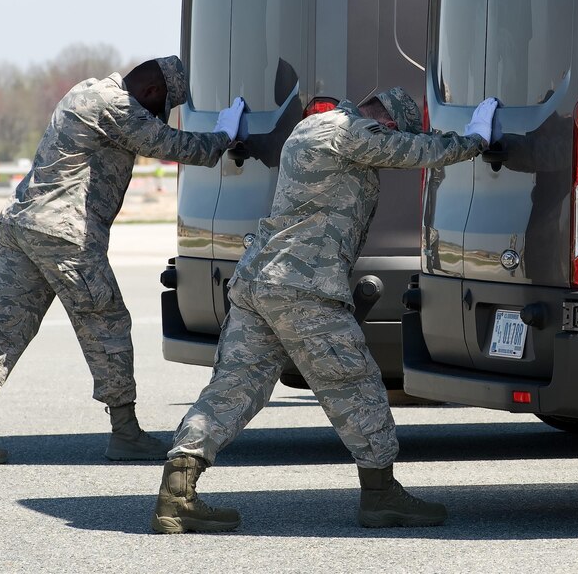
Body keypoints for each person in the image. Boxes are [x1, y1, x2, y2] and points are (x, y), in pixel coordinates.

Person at [150, 88, 499, 533]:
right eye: (391, 130)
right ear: (387, 121)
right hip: (303, 286)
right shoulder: (350, 130)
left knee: (233, 387)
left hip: (259, 280)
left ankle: (176, 493)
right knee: (356, 385)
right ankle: (381, 495)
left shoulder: (311, 126)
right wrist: (473, 140)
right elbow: (416, 151)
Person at [0, 56, 245, 467]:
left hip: (23, 225)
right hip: (64, 234)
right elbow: (176, 146)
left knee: (4, 326)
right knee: (106, 323)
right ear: (153, 92)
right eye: (158, 110)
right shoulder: (117, 106)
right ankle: (125, 433)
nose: (156, 117)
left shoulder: (87, 90)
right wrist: (224, 134)